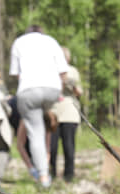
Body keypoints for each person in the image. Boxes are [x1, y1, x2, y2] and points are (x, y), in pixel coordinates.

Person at [9, 25, 68, 188]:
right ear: (41, 32)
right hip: (52, 90)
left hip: (29, 91)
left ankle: (43, 176)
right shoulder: (51, 41)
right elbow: (63, 72)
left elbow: (15, 73)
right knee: (45, 126)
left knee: (35, 133)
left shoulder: (19, 42)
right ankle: (47, 161)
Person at [49, 47, 83, 182]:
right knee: (52, 147)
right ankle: (51, 174)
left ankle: (69, 175)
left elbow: (79, 93)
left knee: (69, 146)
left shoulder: (73, 71)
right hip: (53, 112)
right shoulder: (50, 71)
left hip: (70, 113)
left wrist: (71, 84)